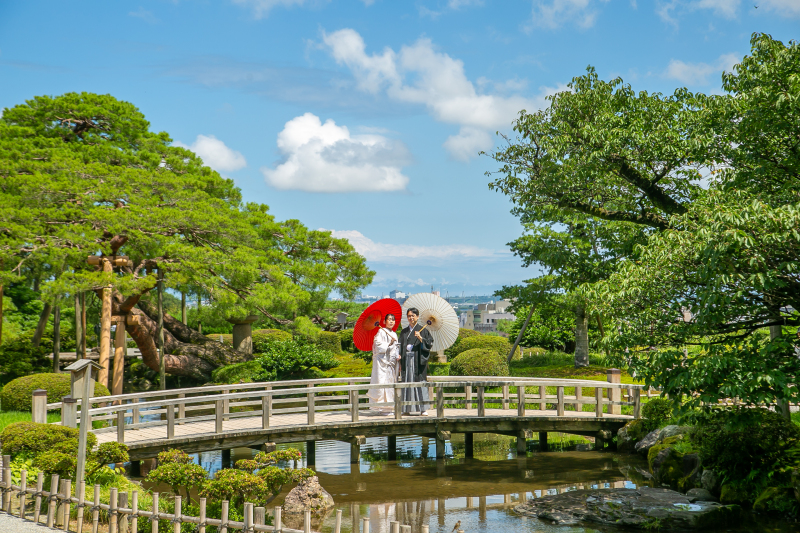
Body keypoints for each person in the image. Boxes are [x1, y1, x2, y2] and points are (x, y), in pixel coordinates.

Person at [399, 307, 434, 415]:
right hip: (406, 359)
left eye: (413, 315)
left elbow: (430, 343)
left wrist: (421, 339)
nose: (411, 318)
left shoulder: (423, 330)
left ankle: (423, 409)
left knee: (420, 382)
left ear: (417, 317)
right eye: (409, 316)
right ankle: (406, 408)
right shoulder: (404, 331)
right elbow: (400, 346)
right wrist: (399, 356)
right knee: (407, 382)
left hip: (418, 360)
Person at [367, 313, 400, 415]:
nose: (391, 321)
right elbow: (377, 345)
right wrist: (389, 344)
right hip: (382, 364)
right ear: (384, 321)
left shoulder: (394, 334)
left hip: (391, 364)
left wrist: (398, 355)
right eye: (389, 319)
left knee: (390, 385)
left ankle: (390, 408)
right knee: (382, 384)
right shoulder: (381, 331)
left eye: (393, 320)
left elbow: (396, 349)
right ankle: (382, 408)